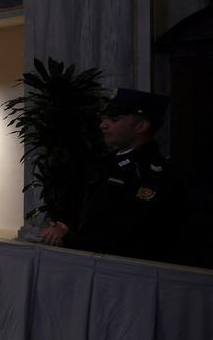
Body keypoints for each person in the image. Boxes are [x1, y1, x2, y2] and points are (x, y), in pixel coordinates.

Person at [40, 88, 188, 263]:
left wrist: (70, 237)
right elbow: (84, 205)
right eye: (104, 118)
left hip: (124, 269)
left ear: (141, 126)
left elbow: (132, 233)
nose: (103, 124)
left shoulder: (152, 172)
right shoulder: (104, 162)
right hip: (87, 260)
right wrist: (63, 225)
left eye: (114, 119)